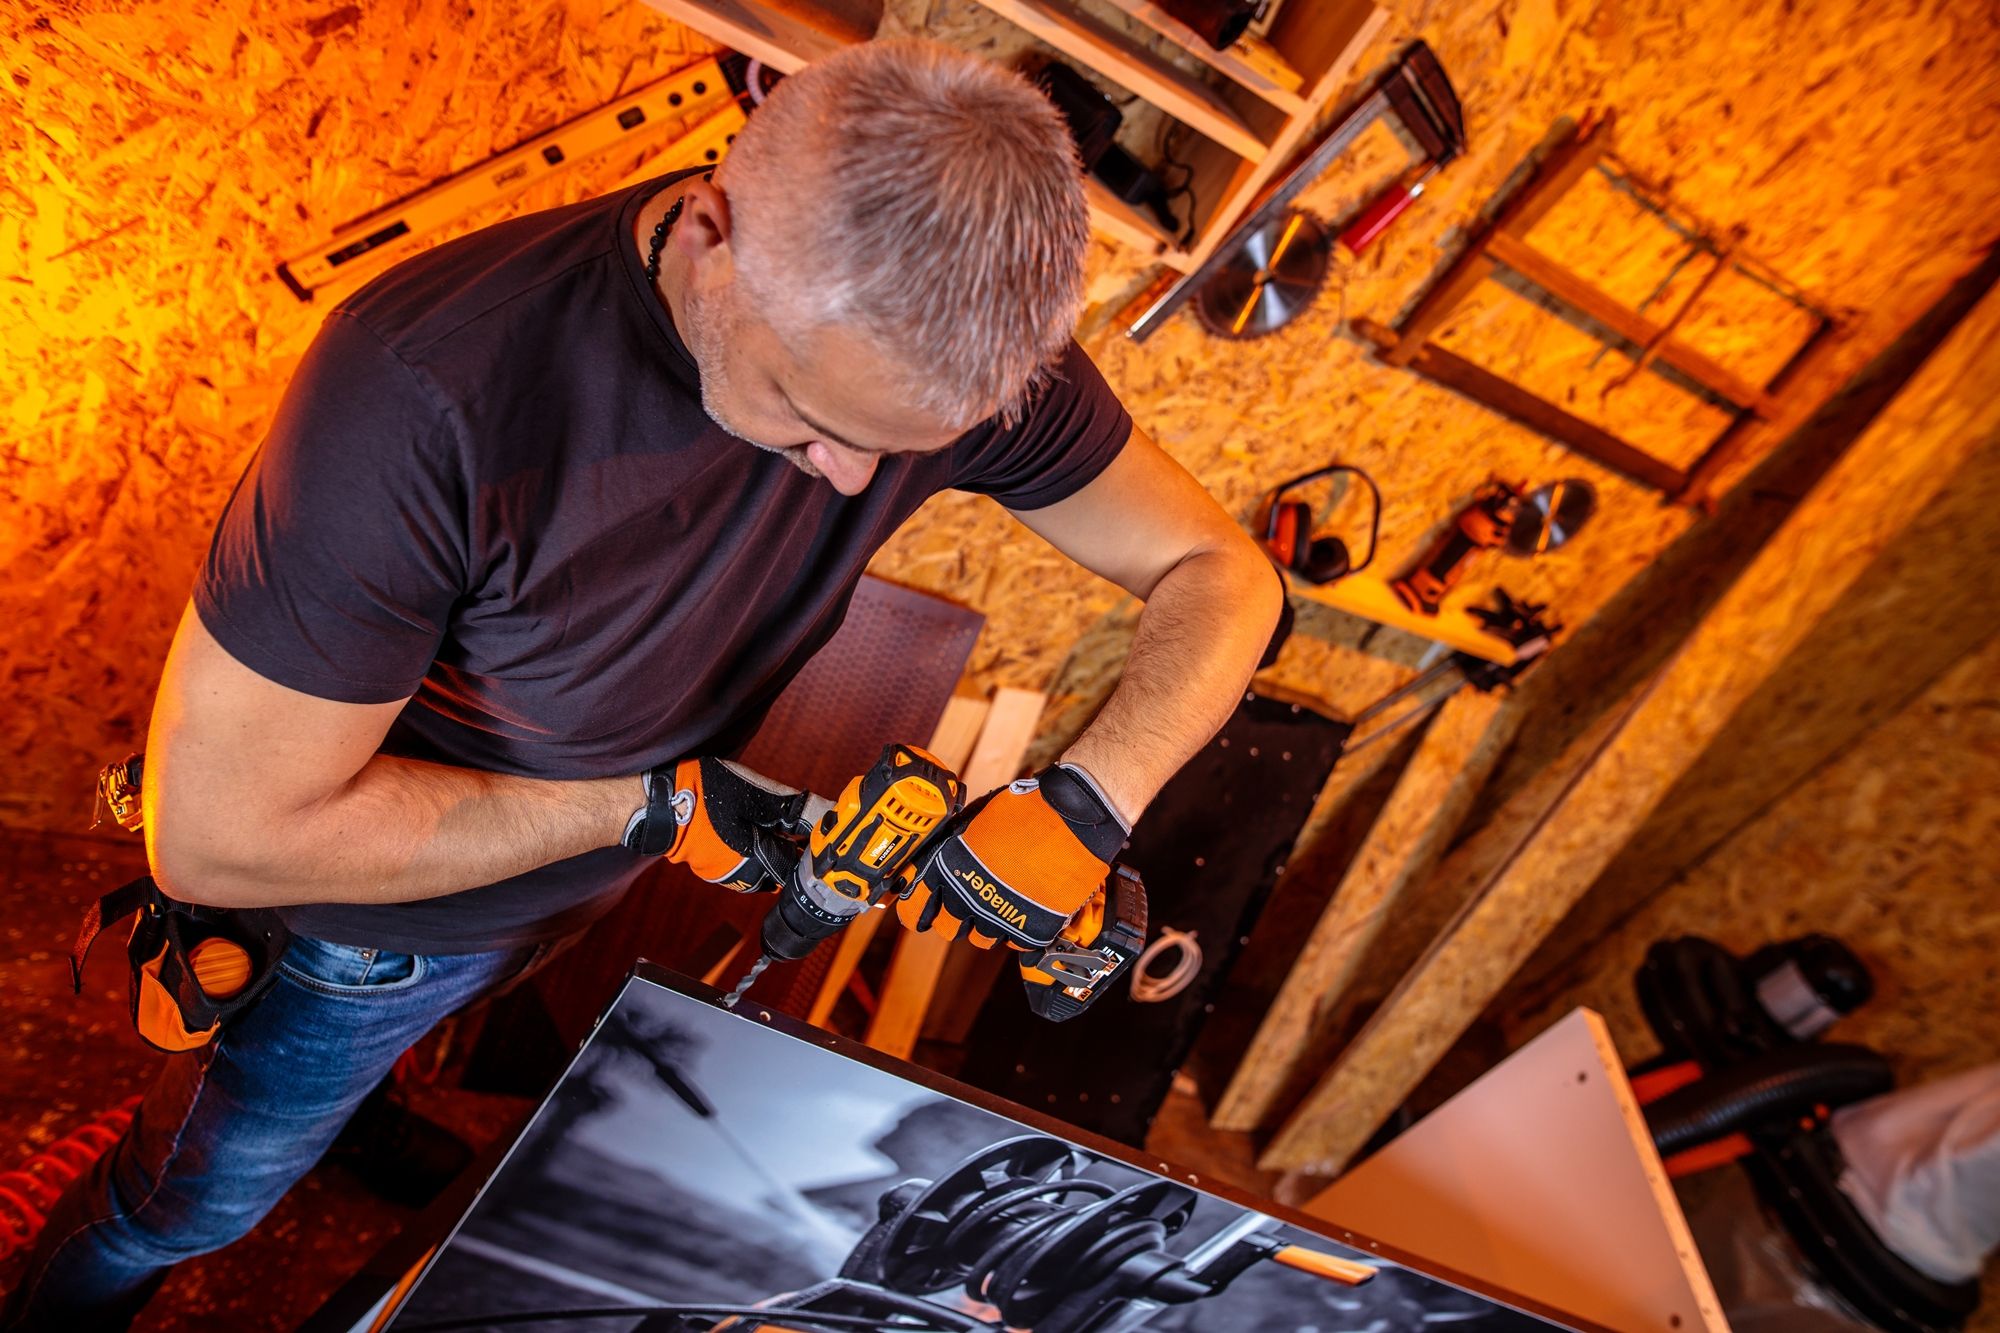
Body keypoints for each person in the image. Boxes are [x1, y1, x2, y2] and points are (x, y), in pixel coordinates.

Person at [1, 37, 1281, 1330]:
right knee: (190, 1203)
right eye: (810, 418)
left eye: (901, 450)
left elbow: (1224, 573)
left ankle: (360, 1115)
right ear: (713, 237)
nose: (848, 480)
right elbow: (216, 839)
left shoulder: (937, 339)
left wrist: (1091, 798)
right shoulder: (427, 390)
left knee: (371, 1077)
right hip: (356, 927)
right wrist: (649, 804)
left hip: (568, 882)